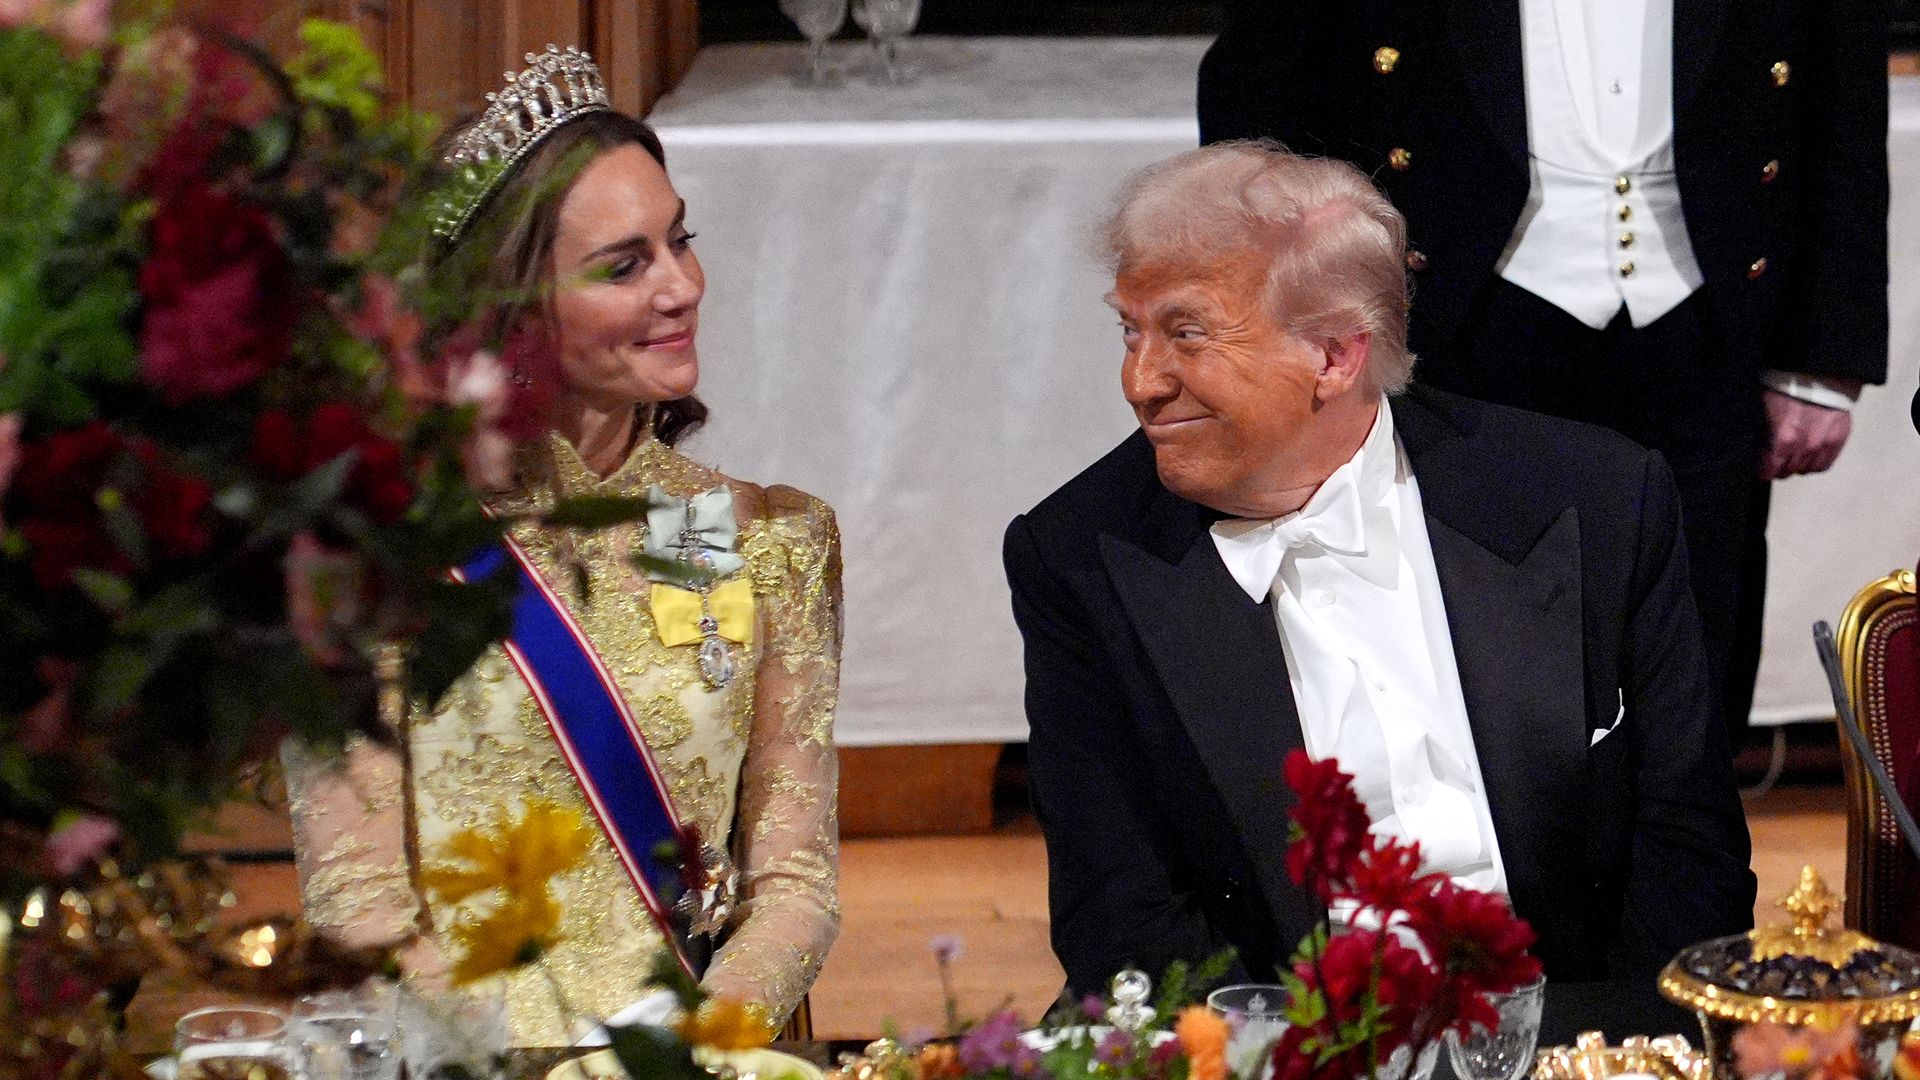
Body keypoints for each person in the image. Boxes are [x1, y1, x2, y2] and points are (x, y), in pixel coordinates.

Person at [1004, 144, 1756, 997]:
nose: (1140, 382)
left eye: (1187, 334)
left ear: (1334, 355)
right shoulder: (1081, 556)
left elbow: (1690, 859)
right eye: (1130, 332)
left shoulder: (1596, 498)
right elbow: (1123, 921)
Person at [283, 47, 841, 1046]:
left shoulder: (761, 538)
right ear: (508, 311)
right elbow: (356, 907)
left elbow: (795, 883)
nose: (681, 287)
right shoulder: (367, 558)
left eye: (681, 241)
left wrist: (695, 1048)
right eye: (626, 265)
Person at [1196, 0, 1890, 747]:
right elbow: (1258, 97)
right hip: (1451, 316)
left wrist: (1820, 359)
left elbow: (1841, 101)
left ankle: (1690, 865)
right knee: (1455, 663)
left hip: (1702, 316)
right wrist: (1288, 319)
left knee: (1691, 667)